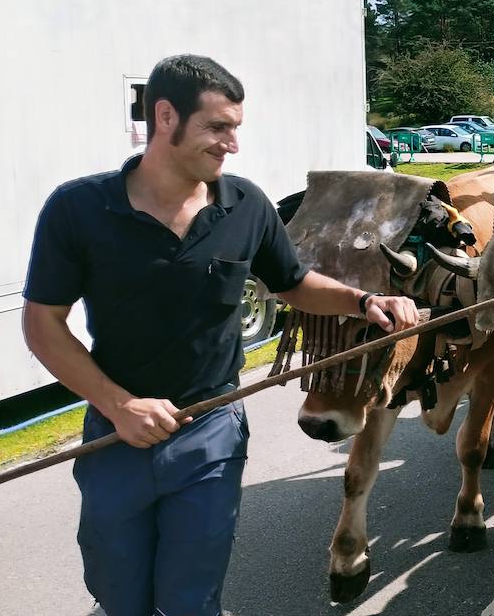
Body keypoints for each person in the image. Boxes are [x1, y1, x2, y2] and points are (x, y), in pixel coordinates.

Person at [22, 55, 420, 616]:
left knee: (190, 600)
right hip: (114, 436)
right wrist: (119, 405)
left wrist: (363, 301)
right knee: (118, 595)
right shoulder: (79, 208)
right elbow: (43, 326)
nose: (231, 144)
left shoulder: (245, 204)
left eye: (235, 128)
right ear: (165, 117)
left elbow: (293, 282)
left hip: (210, 432)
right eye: (217, 127)